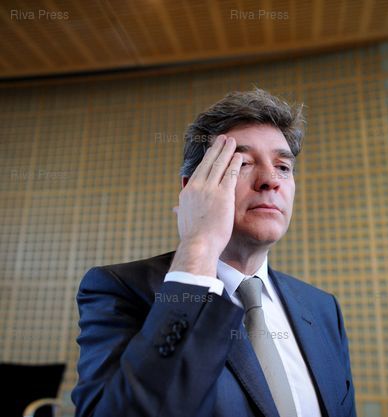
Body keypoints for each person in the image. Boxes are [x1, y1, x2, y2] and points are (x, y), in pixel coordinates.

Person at [72, 89, 357, 417]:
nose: (270, 180)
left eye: (283, 167)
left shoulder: (324, 308)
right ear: (192, 188)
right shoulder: (119, 289)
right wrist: (199, 244)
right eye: (243, 163)